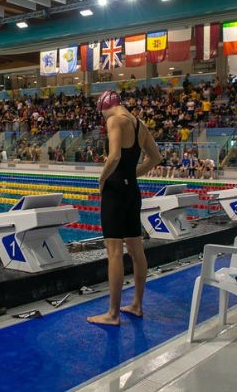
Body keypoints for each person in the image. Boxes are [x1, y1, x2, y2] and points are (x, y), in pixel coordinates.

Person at [88, 91, 161, 326]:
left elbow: (114, 156)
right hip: (132, 191)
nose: (103, 118)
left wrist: (102, 181)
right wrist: (132, 174)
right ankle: (137, 305)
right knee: (137, 252)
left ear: (105, 107)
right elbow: (155, 158)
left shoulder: (115, 120)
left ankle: (113, 314)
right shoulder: (140, 124)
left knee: (115, 253)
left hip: (116, 191)